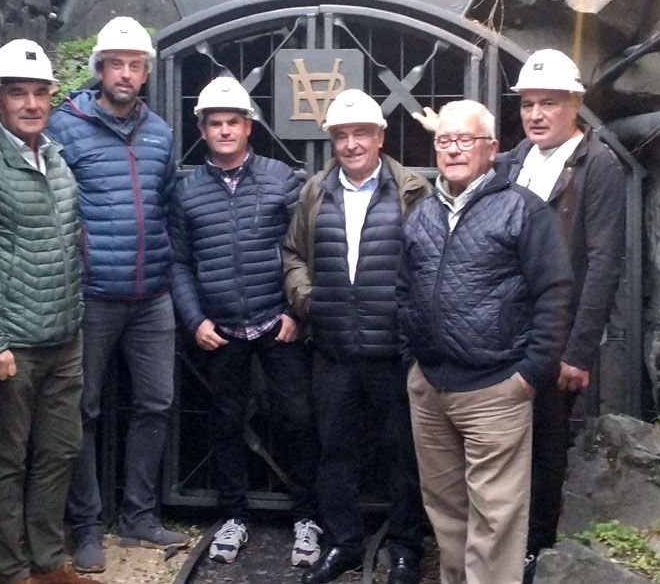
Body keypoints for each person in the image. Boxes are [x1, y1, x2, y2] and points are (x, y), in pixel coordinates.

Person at [416, 50, 626, 579]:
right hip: (503, 333)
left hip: (551, 334)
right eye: (528, 104)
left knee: (547, 444)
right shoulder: (512, 161)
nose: (536, 114)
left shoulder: (596, 164)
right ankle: (495, 556)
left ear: (574, 103)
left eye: (548, 103)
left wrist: (575, 350)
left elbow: (602, 263)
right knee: (503, 456)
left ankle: (535, 549)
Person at [0, 39, 94, 584]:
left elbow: (68, 245)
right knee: (7, 462)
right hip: (13, 347)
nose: (31, 103)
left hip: (62, 338)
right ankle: (11, 569)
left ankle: (48, 563)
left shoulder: (54, 159)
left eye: (39, 93)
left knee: (58, 452)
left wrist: (73, 316)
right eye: (17, 94)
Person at [398, 100, 573, 584]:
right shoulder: (422, 212)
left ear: (492, 149)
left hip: (496, 389)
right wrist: (412, 360)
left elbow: (554, 293)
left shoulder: (522, 209)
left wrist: (530, 374)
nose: (453, 150)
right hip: (431, 388)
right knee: (447, 514)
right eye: (444, 140)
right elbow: (403, 287)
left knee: (496, 521)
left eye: (465, 140)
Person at [46, 16, 185, 573]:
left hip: (152, 295)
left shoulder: (160, 131)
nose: (125, 74)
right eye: (116, 64)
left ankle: (139, 514)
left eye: (135, 65)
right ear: (99, 68)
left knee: (155, 402)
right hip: (94, 295)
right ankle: (85, 526)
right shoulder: (66, 127)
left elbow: (169, 204)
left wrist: (167, 262)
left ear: (146, 72)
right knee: (84, 409)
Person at [168, 76, 321, 568]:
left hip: (277, 325)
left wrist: (296, 311)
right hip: (221, 330)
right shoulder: (187, 191)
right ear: (203, 129)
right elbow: (179, 263)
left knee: (297, 418)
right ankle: (232, 515)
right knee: (226, 423)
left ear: (249, 127)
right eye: (215, 123)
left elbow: (306, 247)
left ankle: (307, 516)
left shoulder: (280, 178)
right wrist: (194, 320)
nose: (225, 130)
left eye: (233, 121)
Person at [281, 89, 430, 584]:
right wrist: (308, 301)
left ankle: (406, 549)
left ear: (380, 136)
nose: (350, 144)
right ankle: (343, 542)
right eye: (341, 136)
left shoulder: (411, 191)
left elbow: (429, 263)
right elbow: (293, 254)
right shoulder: (316, 191)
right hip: (334, 349)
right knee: (335, 453)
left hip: (392, 352)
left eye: (360, 133)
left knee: (401, 454)